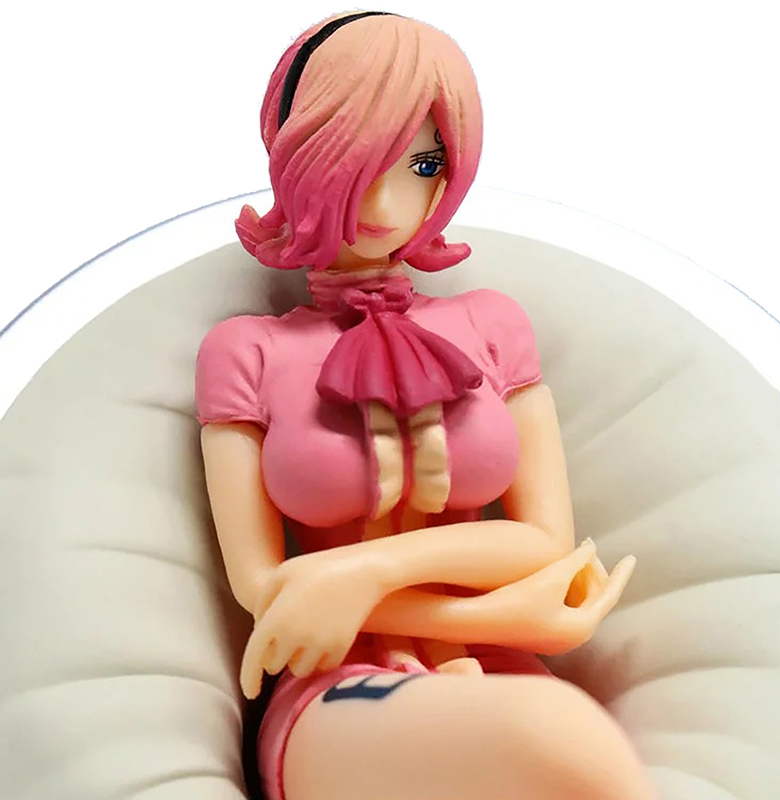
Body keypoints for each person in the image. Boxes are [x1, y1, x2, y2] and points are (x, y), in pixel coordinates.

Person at [196, 12, 656, 800]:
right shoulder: (248, 350)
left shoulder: (491, 324)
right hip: (333, 683)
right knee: (557, 741)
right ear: (299, 149)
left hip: (499, 666)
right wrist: (509, 615)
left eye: (425, 162)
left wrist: (377, 576)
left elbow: (543, 544)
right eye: (360, 152)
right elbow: (268, 590)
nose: (387, 195)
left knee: (560, 743)